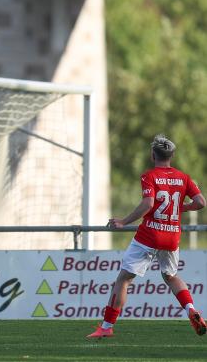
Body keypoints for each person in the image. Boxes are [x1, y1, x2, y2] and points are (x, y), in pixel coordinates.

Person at [88, 134, 207, 339]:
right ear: (173, 155)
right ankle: (190, 310)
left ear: (153, 155)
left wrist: (123, 221)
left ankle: (107, 327)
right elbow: (201, 202)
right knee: (171, 276)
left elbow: (149, 204)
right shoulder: (183, 177)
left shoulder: (149, 176)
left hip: (150, 234)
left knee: (124, 279)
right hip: (172, 237)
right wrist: (179, 208)